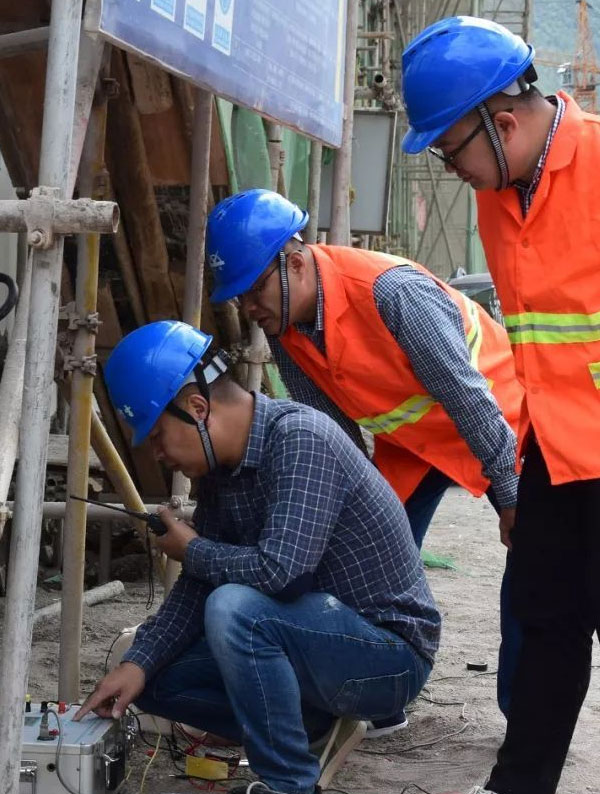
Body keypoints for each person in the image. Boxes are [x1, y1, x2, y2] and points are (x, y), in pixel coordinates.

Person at [74, 320, 440, 794]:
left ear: (197, 408)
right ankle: (309, 725)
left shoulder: (300, 438)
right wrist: (138, 663)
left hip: (388, 659)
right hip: (313, 649)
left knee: (235, 608)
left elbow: (281, 574)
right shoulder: (222, 473)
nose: (159, 453)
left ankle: (289, 783)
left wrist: (191, 548)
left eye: (159, 436)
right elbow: (197, 584)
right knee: (152, 678)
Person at [206, 188, 523, 730]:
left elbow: (470, 401)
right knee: (363, 556)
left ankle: (528, 724)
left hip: (506, 422)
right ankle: (380, 691)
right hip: (416, 446)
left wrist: (511, 496)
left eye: (255, 289)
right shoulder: (286, 329)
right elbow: (333, 441)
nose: (250, 310)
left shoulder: (392, 293)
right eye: (238, 299)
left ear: (297, 260)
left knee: (532, 570)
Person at [401, 15, 600, 794]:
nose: (452, 169)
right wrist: (520, 468)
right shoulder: (500, 192)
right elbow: (535, 348)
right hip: (554, 451)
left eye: (452, 151)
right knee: (547, 625)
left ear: (504, 122)